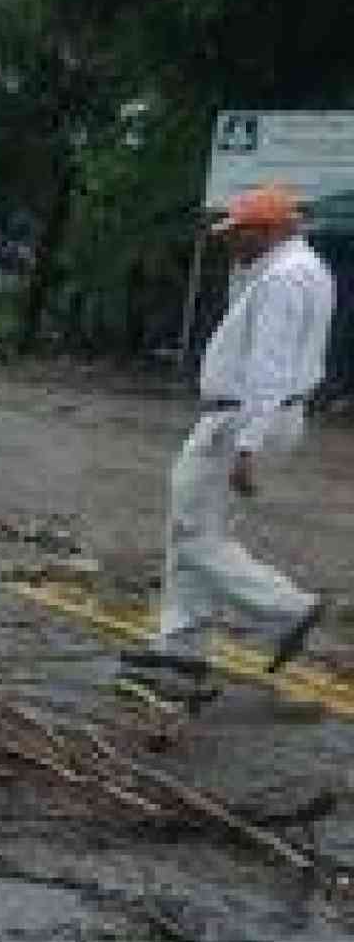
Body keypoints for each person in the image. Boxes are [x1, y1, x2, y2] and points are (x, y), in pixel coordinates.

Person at [133, 184, 336, 683]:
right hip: (253, 415)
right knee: (196, 530)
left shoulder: (285, 279)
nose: (231, 243)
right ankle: (180, 647)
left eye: (239, 233)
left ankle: (288, 608)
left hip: (241, 417)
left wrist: (248, 443)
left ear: (269, 229)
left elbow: (270, 363)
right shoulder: (299, 270)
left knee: (194, 535)